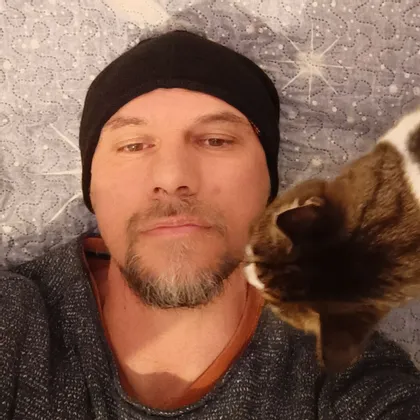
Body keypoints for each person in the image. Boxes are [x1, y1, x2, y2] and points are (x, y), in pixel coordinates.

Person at [1, 29, 420, 420]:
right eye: (133, 145)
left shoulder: (344, 370)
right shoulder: (16, 322)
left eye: (216, 140)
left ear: (268, 186)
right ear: (91, 185)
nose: (172, 176)